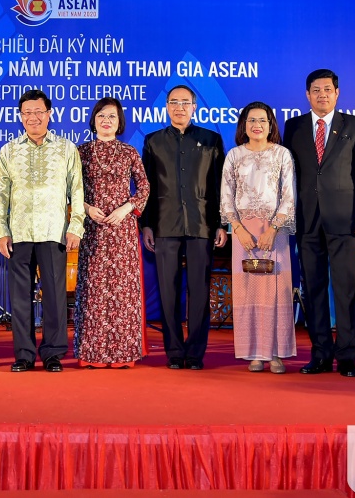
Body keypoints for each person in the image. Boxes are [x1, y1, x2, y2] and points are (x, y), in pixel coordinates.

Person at [282, 69, 355, 378]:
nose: (322, 94)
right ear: (307, 95)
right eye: (316, 90)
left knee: (346, 289)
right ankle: (320, 353)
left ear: (337, 93)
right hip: (307, 219)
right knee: (314, 289)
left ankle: (347, 355)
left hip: (345, 219)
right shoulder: (293, 126)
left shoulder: (354, 125)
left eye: (328, 89)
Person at [0, 88, 85, 373]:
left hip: (53, 231)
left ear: (49, 113)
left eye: (38, 112)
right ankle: (23, 354)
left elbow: (77, 190)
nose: (33, 117)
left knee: (55, 296)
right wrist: (1, 230)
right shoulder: (9, 150)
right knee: (20, 297)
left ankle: (53, 354)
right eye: (27, 113)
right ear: (20, 116)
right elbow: (0, 194)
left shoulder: (66, 148)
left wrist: (76, 226)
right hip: (19, 233)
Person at [141, 85, 227, 370]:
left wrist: (220, 224)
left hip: (202, 224)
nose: (179, 107)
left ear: (195, 107)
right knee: (167, 290)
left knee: (199, 291)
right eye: (174, 102)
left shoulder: (211, 140)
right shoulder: (153, 142)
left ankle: (195, 353)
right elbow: (147, 188)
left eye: (185, 102)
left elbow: (219, 187)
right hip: (165, 224)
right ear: (166, 107)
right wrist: (147, 225)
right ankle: (174, 351)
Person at [220, 102, 297, 374]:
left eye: (263, 120)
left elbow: (289, 196)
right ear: (244, 125)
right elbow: (226, 197)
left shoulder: (282, 155)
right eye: (252, 120)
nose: (257, 125)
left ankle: (275, 353)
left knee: (275, 292)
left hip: (274, 231)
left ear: (271, 125)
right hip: (243, 232)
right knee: (248, 292)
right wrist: (237, 229)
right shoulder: (234, 156)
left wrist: (274, 228)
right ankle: (254, 352)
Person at [74, 98, 150, 368]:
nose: (106, 120)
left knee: (123, 290)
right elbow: (69, 189)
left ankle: (123, 354)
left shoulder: (129, 152)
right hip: (93, 229)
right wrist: (85, 207)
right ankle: (91, 353)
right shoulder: (80, 152)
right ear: (93, 120)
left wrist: (126, 209)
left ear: (120, 123)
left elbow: (144, 188)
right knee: (93, 290)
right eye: (102, 115)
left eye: (112, 117)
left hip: (122, 230)